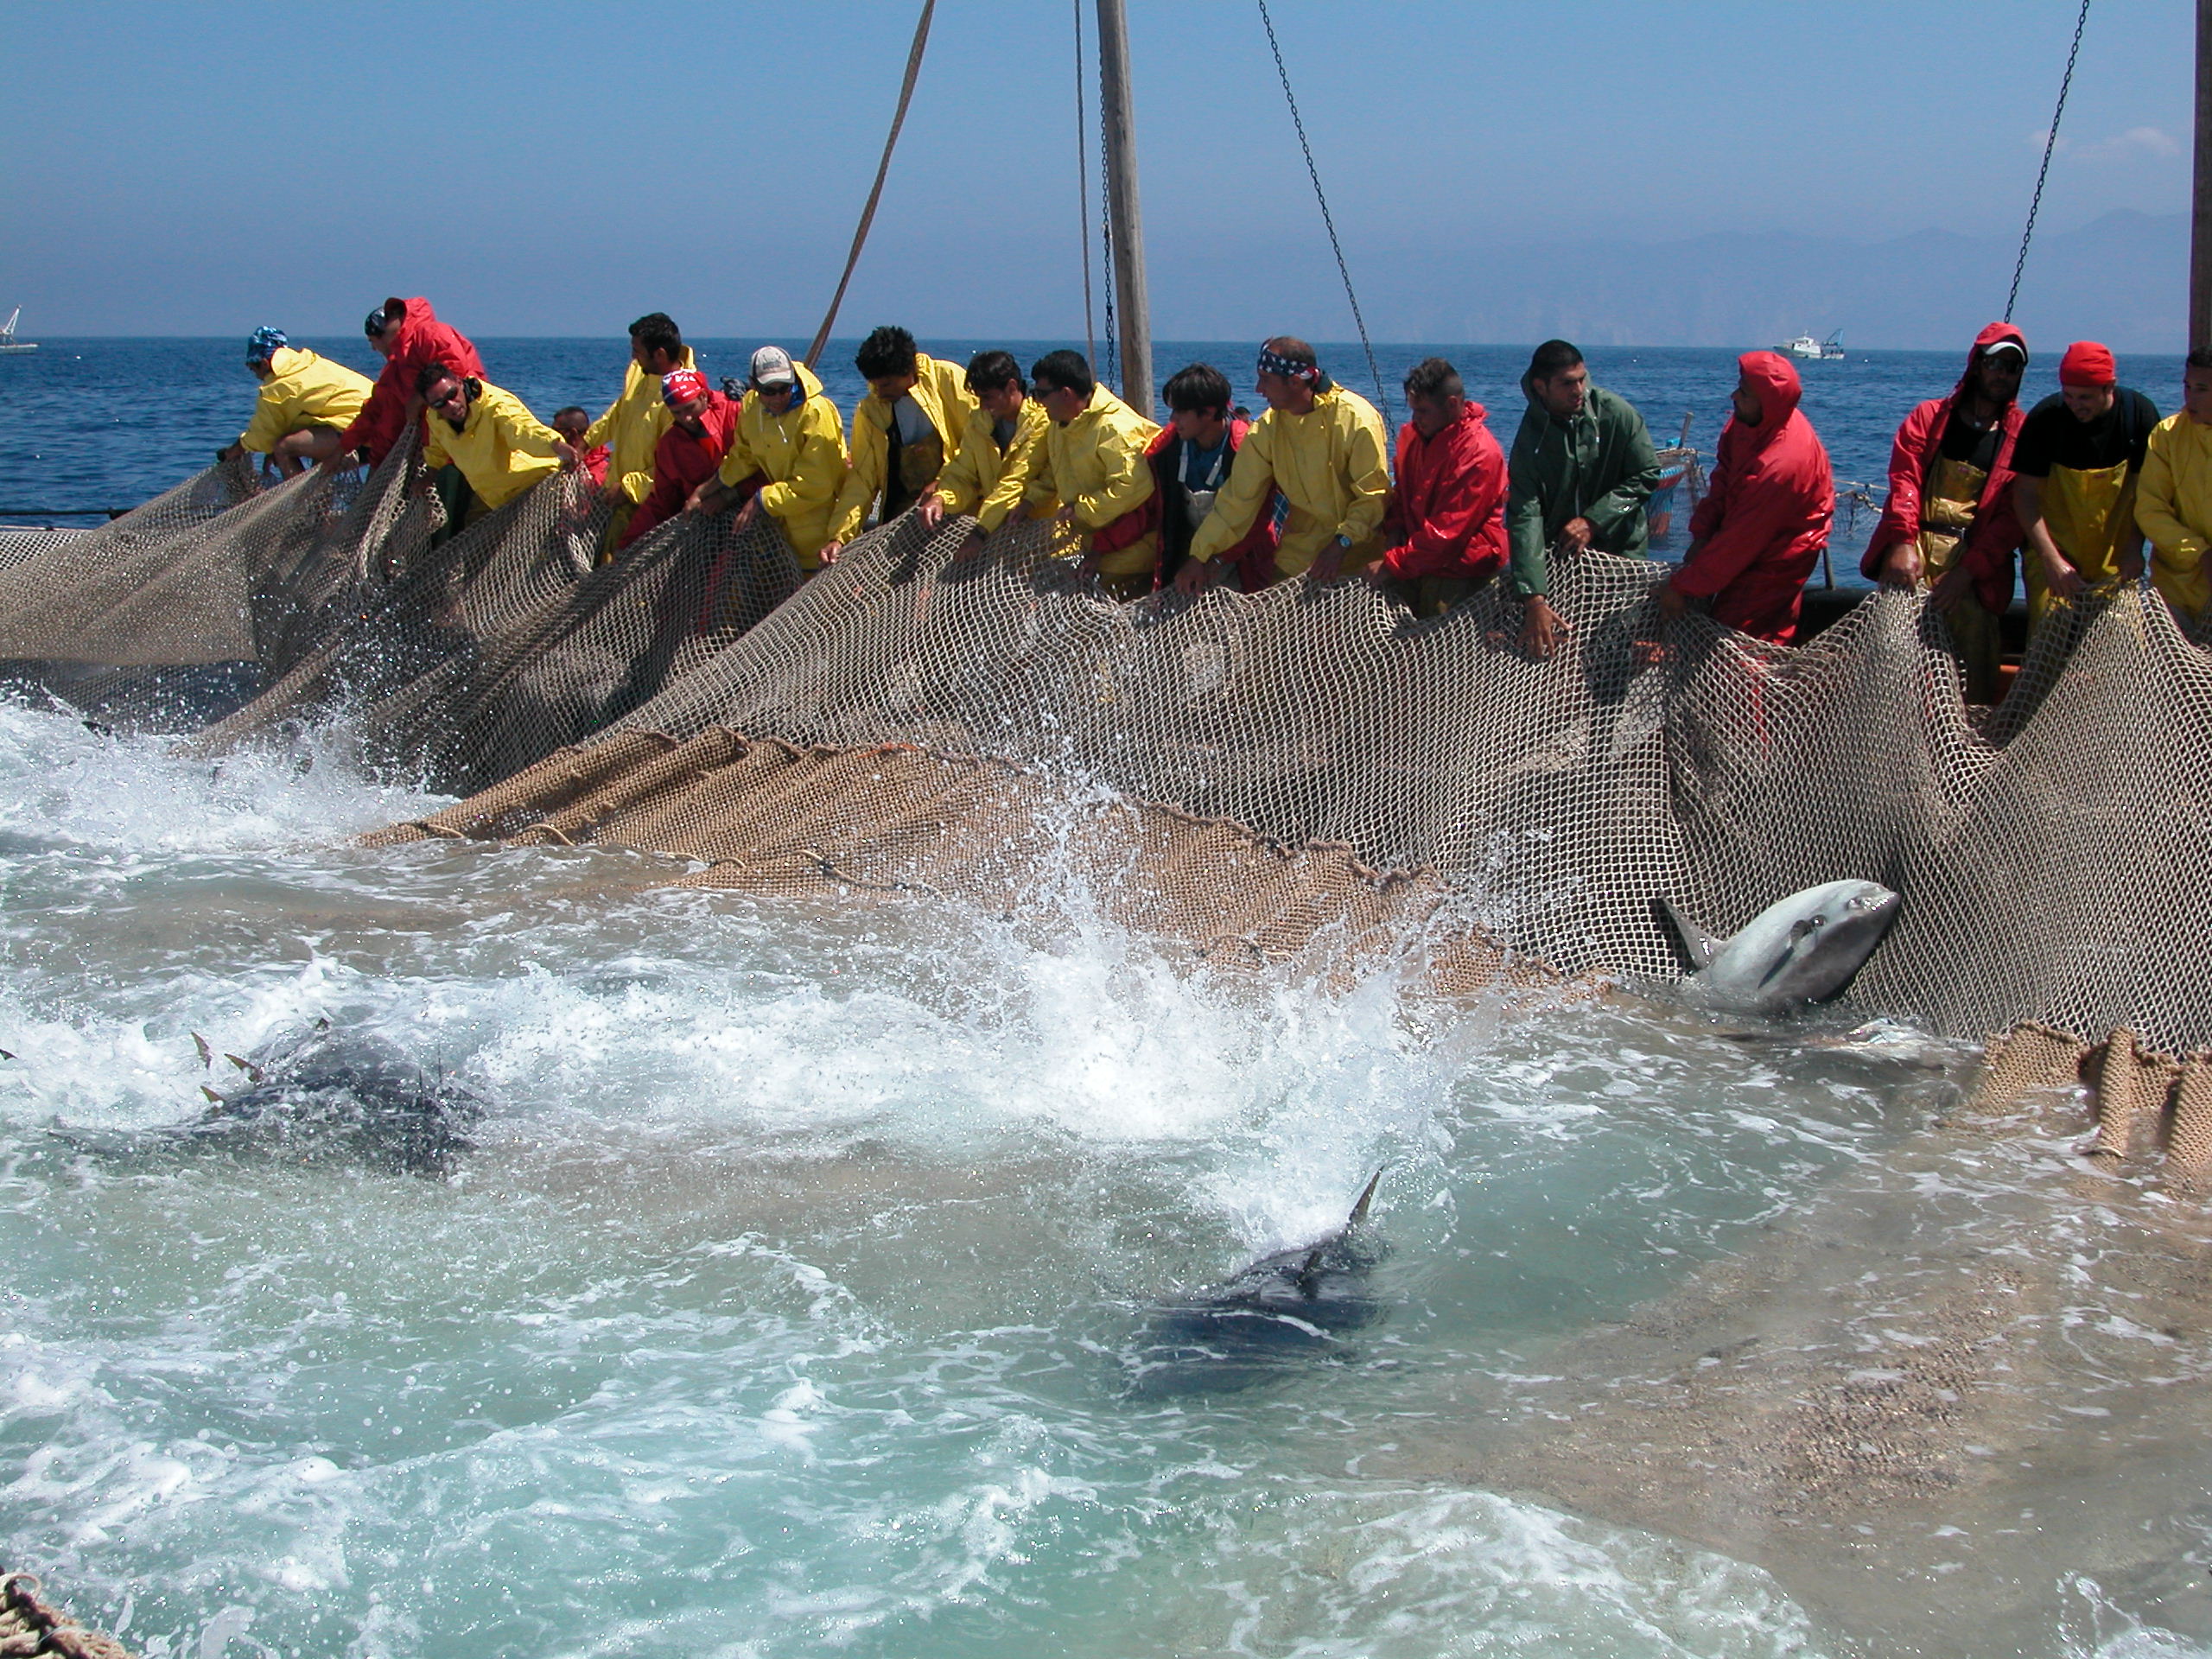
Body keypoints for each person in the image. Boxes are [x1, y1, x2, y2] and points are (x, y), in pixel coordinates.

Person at [1861, 323, 2029, 702]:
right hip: (1914, 553)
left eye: (2012, 367)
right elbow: (1904, 480)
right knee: (1893, 659)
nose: (2001, 374)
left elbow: (2010, 521)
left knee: (1972, 671)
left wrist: (1967, 574)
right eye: (1994, 363)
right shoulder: (1927, 417)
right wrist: (1903, 542)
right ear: (1976, 365)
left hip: (1974, 569)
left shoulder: (2022, 435)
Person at [1173, 337, 1389, 593]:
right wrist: (1200, 555)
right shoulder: (1267, 428)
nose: (1258, 389)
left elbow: (1374, 497)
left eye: (1265, 379)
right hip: (1294, 562)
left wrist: (1341, 543)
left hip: (1356, 563)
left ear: (1295, 381)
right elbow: (1238, 501)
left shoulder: (1357, 418)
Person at [1656, 351, 1832, 645]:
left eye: (1744, 393)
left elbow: (1741, 540)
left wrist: (1682, 586)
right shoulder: (1748, 421)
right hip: (1745, 536)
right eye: (1739, 386)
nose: (1734, 396)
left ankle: (1749, 689)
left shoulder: (1781, 465)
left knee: (1743, 637)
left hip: (1780, 557)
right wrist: (1703, 533)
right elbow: (1724, 477)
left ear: (1767, 403)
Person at [1503, 340, 1661, 658]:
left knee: (1611, 656)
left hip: (1620, 557)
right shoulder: (1531, 437)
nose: (1579, 390)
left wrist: (1594, 520)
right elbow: (1525, 514)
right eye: (1567, 383)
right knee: (1553, 655)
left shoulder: (1617, 414)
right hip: (1562, 562)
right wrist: (1534, 597)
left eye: (1582, 379)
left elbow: (1646, 474)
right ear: (1541, 387)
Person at [2012, 340, 2160, 633]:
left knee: (2123, 637)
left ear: (2110, 388)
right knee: (2048, 630)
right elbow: (2025, 496)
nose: (2075, 405)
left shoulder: (2138, 415)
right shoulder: (2045, 419)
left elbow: (2150, 492)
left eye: (2085, 397)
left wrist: (2134, 548)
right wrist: (2052, 562)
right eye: (2068, 395)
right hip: (2054, 552)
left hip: (2115, 558)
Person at [822, 325, 977, 562]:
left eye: (887, 385)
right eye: (874, 385)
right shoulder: (870, 410)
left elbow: (978, 446)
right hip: (904, 518)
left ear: (909, 370)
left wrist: (942, 484)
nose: (879, 392)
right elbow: (863, 478)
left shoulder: (950, 379)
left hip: (963, 513)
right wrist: (839, 536)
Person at [1017, 350, 1162, 599]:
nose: (1038, 401)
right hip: (1096, 547)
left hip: (1131, 554)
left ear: (1066, 393)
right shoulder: (1061, 424)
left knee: (1102, 624)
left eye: (1041, 394)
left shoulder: (1114, 428)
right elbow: (1056, 472)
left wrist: (1081, 510)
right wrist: (1030, 501)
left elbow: (1133, 488)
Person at [688, 346, 849, 571]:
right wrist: (707, 489)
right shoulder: (752, 407)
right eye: (769, 391)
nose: (778, 397)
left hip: (822, 537)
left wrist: (762, 499)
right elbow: (744, 455)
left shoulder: (816, 413)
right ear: (753, 385)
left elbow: (816, 485)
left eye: (784, 388)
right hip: (781, 535)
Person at [1373, 357, 1509, 616]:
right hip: (1416, 563)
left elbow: (1448, 532)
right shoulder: (1413, 436)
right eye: (1412, 409)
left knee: (1446, 648)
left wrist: (1391, 564)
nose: (1416, 418)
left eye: (1423, 411)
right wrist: (1394, 530)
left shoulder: (1478, 452)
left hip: (1459, 575)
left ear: (1452, 404)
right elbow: (1402, 495)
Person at [1147, 362, 1276, 590]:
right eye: (1172, 410)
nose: (1173, 419)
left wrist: (1216, 561)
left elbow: (1256, 519)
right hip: (1189, 558)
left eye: (1181, 411)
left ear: (1208, 412)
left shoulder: (1246, 449)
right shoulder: (1166, 449)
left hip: (1242, 560)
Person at [918, 350, 1052, 559]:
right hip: (1001, 540)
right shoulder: (979, 423)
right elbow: (963, 473)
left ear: (1012, 387)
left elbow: (1016, 482)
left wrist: (980, 532)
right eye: (979, 398)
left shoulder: (1043, 422)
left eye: (988, 397)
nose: (983, 406)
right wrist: (941, 498)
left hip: (1046, 541)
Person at [582, 313, 696, 557]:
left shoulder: (683, 400)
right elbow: (619, 411)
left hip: (649, 508)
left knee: (627, 577)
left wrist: (627, 488)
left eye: (638, 351)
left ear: (660, 355)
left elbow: (677, 467)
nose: (634, 356)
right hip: (616, 500)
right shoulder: (638, 372)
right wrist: (587, 442)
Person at [332, 296, 486, 469]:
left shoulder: (431, 334)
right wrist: (346, 447)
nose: (374, 348)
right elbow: (377, 413)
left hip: (469, 437)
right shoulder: (395, 370)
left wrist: (418, 398)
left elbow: (458, 372)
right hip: (435, 452)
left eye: (372, 341)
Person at [414, 363, 572, 526]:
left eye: (452, 394)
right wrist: (430, 474)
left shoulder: (496, 405)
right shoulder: (435, 418)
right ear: (432, 406)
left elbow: (523, 431)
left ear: (459, 382)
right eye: (440, 404)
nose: (451, 405)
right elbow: (437, 449)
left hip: (537, 486)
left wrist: (556, 445)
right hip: (496, 498)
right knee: (472, 541)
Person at [218, 327, 373, 476]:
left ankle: (305, 504)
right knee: (315, 460)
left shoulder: (276, 386)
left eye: (253, 368)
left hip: (360, 436)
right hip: (383, 425)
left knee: (284, 447)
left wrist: (232, 451)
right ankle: (319, 502)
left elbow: (263, 437)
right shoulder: (310, 363)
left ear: (265, 363)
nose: (255, 375)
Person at [619, 368, 742, 552]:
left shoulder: (736, 414)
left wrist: (728, 496)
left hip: (753, 513)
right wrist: (627, 544)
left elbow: (764, 467)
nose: (686, 418)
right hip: (707, 530)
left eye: (689, 408)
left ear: (703, 396)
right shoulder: (671, 444)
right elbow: (662, 500)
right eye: (677, 413)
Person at [2135, 346, 2212, 626]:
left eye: (2201, 389)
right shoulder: (2166, 435)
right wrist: (2200, 553)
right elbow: (2150, 511)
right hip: (2173, 593)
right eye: (2187, 386)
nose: (2189, 397)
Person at [551, 406, 608, 488]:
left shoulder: (595, 476)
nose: (553, 436)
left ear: (573, 433)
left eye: (556, 431)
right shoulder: (568, 464)